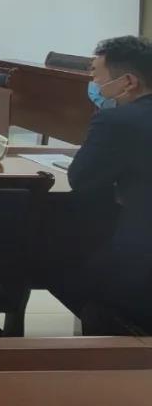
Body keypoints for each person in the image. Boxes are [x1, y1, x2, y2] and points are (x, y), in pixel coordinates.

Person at [65, 35, 152, 332]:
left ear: (128, 82)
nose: (93, 84)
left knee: (59, 265)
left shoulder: (118, 121)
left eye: (95, 76)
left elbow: (81, 179)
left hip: (140, 262)